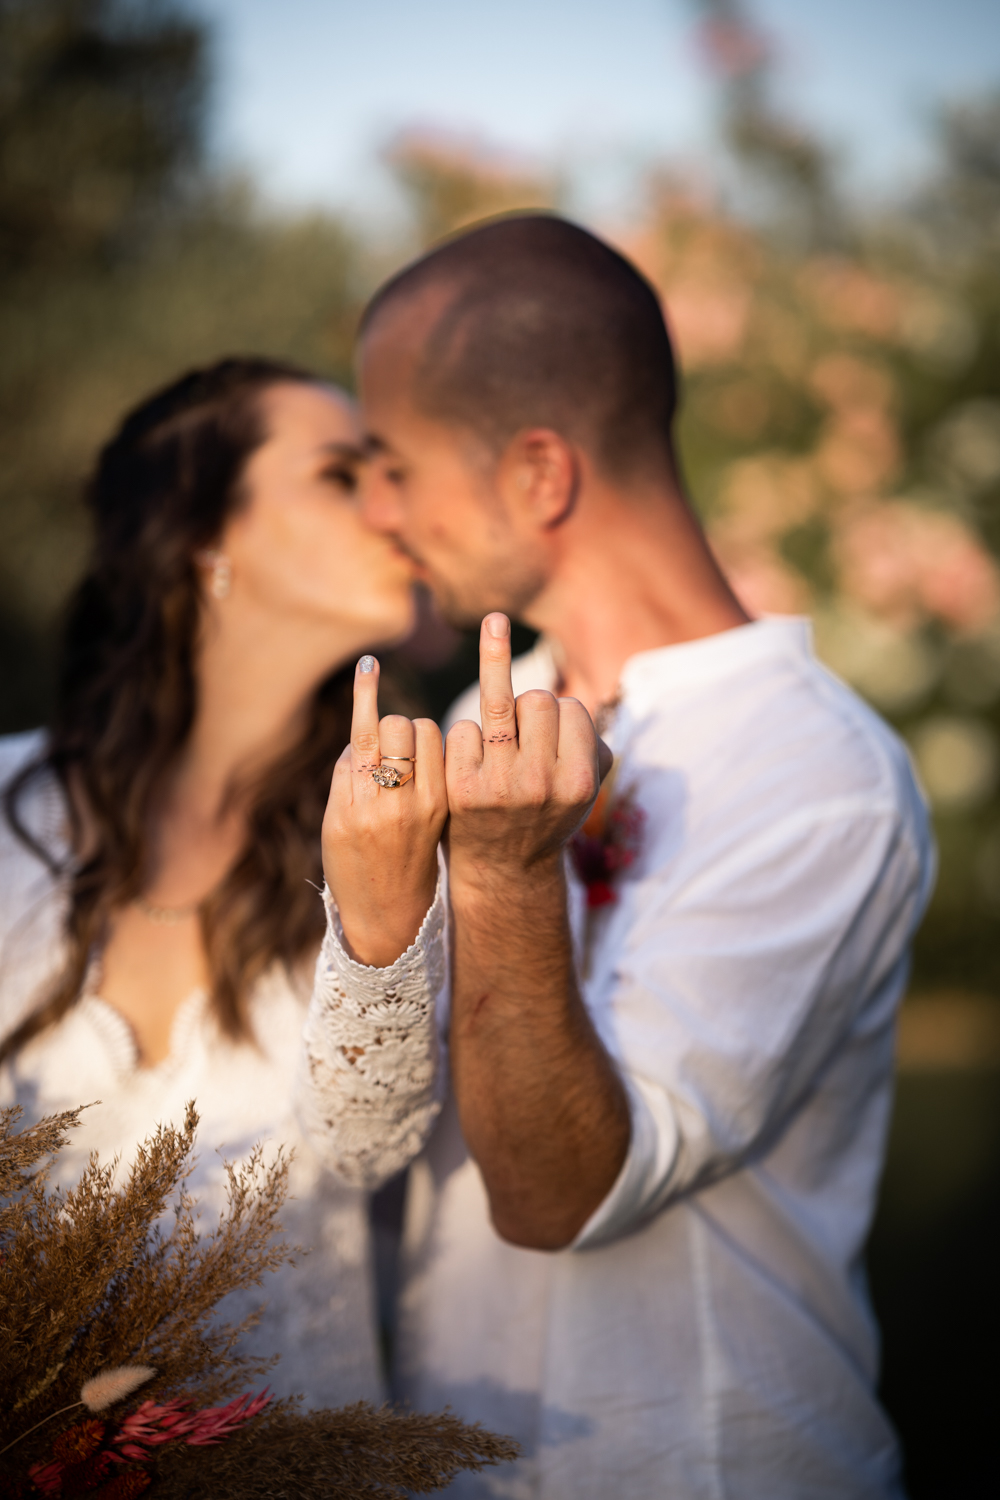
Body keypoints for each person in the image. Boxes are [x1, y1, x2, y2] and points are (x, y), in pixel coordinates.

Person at [313, 216, 936, 1497]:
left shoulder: (815, 774)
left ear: (540, 473)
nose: (376, 510)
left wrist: (497, 876)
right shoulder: (468, 725)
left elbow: (561, 1198)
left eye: (392, 464)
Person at [0, 356, 457, 1407]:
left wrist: (381, 918)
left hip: (294, 1453)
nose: (394, 506)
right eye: (342, 475)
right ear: (204, 536)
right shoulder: (4, 817)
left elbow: (369, 1151)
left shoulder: (398, 827)